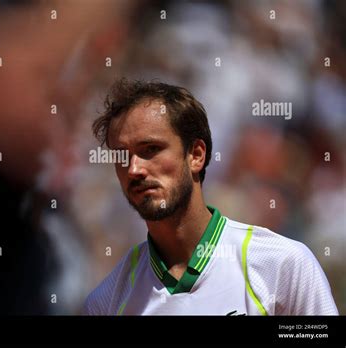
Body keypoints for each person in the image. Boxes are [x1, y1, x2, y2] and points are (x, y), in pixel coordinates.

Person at [83, 78, 338, 315]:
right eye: (122, 156)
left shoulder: (284, 266)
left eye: (151, 149)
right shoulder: (106, 302)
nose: (134, 169)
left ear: (196, 155)